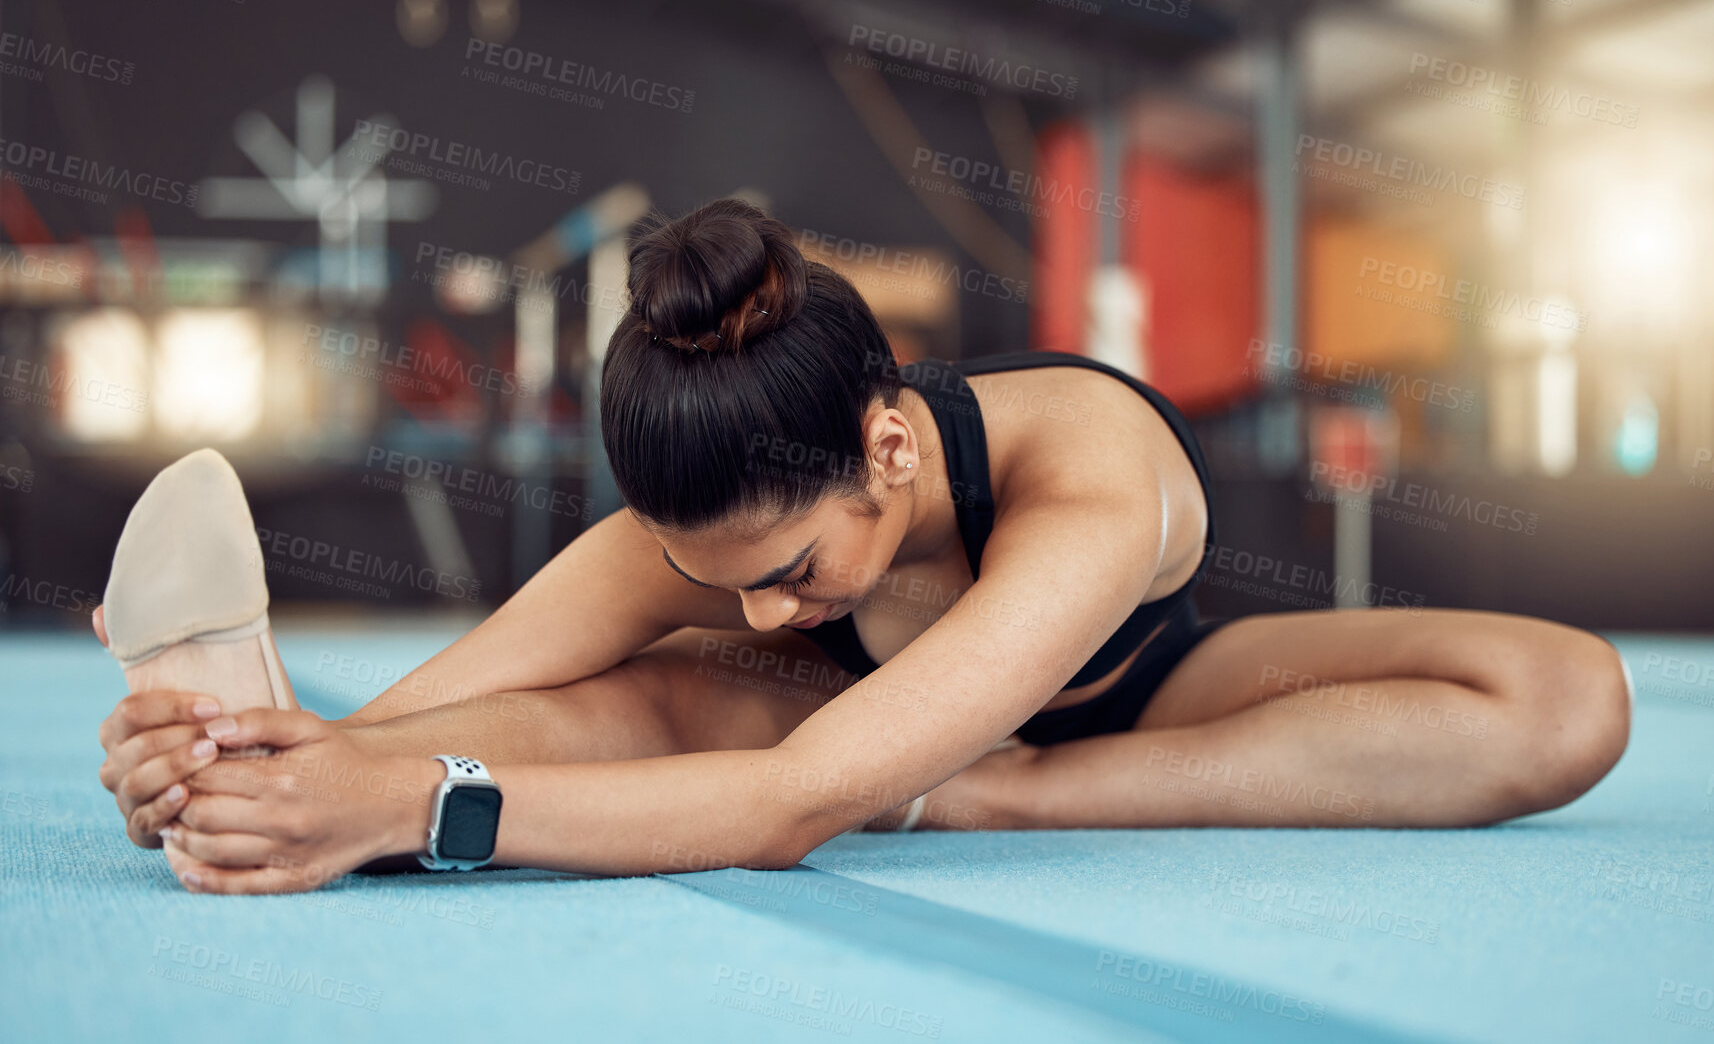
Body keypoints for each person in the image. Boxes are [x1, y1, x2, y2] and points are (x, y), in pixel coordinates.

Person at [94, 198, 1632, 895]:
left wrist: (432, 811)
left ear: (890, 448)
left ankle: (998, 801)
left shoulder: (1090, 476)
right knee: (632, 694)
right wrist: (294, 756)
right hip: (846, 721)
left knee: (1563, 704)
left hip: (1144, 695)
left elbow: (784, 806)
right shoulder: (742, 507)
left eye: (789, 568)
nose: (762, 603)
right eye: (722, 574)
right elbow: (472, 688)